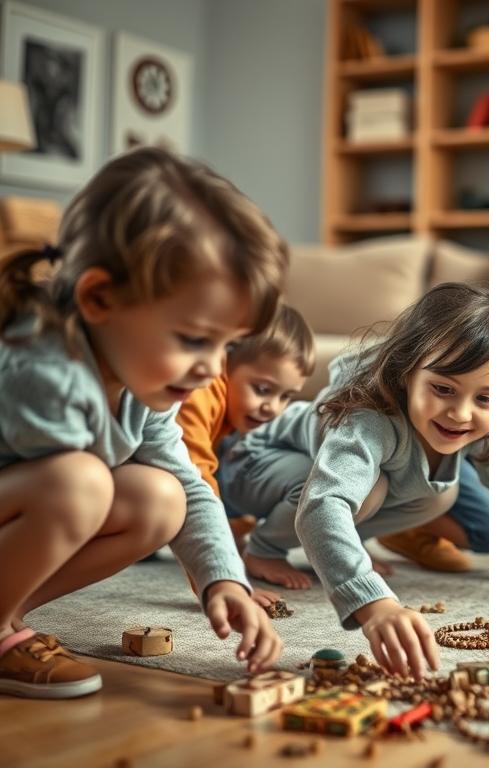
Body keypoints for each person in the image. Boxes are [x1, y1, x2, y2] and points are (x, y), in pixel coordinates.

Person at [0, 147, 287, 699]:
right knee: (79, 484)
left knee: (161, 498)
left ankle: (8, 618)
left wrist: (223, 580)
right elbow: (67, 493)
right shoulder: (40, 370)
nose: (212, 369)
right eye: (195, 339)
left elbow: (186, 483)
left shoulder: (140, 380)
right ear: (98, 298)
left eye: (226, 346)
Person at [220, 283, 489, 678]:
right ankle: (263, 547)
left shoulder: (482, 426)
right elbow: (323, 505)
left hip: (308, 473)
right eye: (443, 389)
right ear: (406, 374)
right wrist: (375, 605)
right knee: (363, 491)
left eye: (485, 398)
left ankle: (342, 544)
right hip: (253, 460)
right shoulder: (369, 419)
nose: (461, 413)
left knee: (441, 494)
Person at [176, 303, 315, 604]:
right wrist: (224, 580)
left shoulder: (229, 412)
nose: (273, 407)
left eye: (286, 396)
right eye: (263, 389)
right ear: (224, 362)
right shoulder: (199, 394)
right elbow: (194, 485)